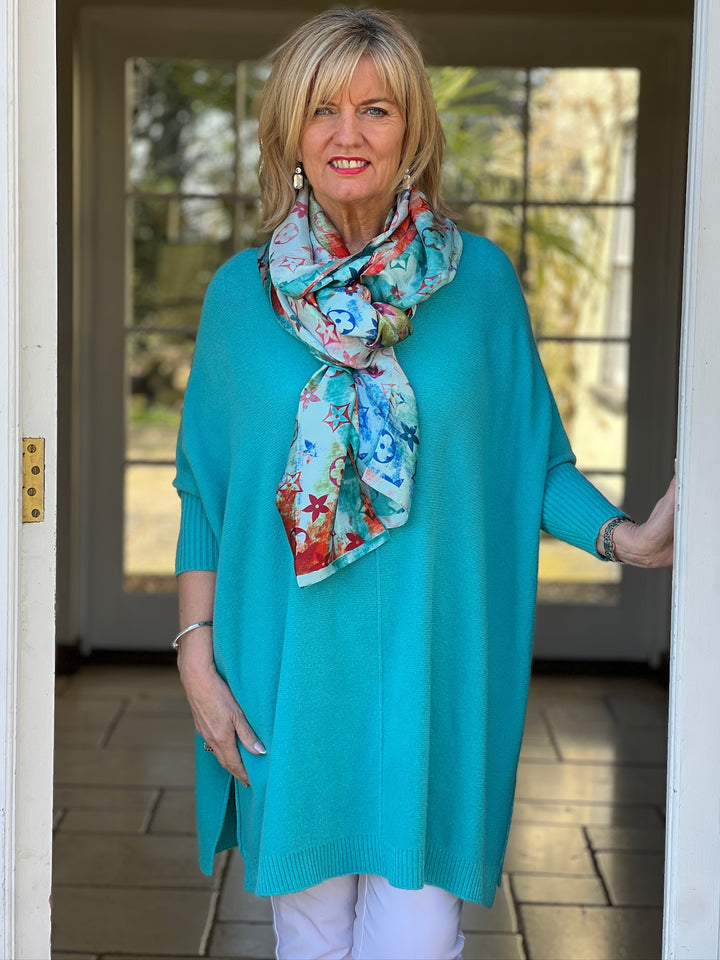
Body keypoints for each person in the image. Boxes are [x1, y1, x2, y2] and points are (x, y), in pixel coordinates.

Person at [173, 8, 675, 959]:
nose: (348, 134)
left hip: (430, 670)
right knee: (309, 936)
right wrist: (197, 657)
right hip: (285, 673)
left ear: (412, 131)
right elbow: (205, 491)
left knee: (417, 935)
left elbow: (532, 460)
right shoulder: (240, 297)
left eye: (376, 109)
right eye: (323, 109)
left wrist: (628, 539)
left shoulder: (479, 285)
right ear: (290, 131)